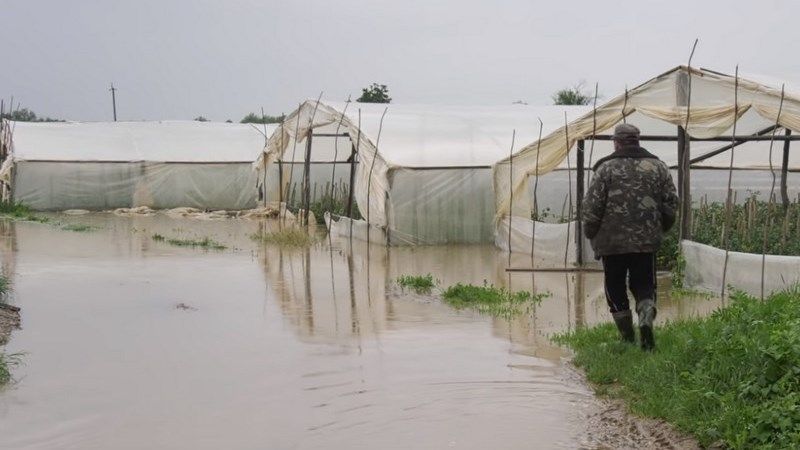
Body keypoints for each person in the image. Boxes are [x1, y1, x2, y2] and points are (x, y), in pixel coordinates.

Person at [582, 123, 678, 351]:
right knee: (644, 284)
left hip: (611, 243)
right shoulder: (658, 167)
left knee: (614, 285)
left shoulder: (604, 169)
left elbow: (592, 207)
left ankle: (627, 337)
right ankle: (645, 319)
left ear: (616, 142)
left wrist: (590, 232)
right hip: (645, 242)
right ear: (637, 140)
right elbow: (671, 204)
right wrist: (659, 229)